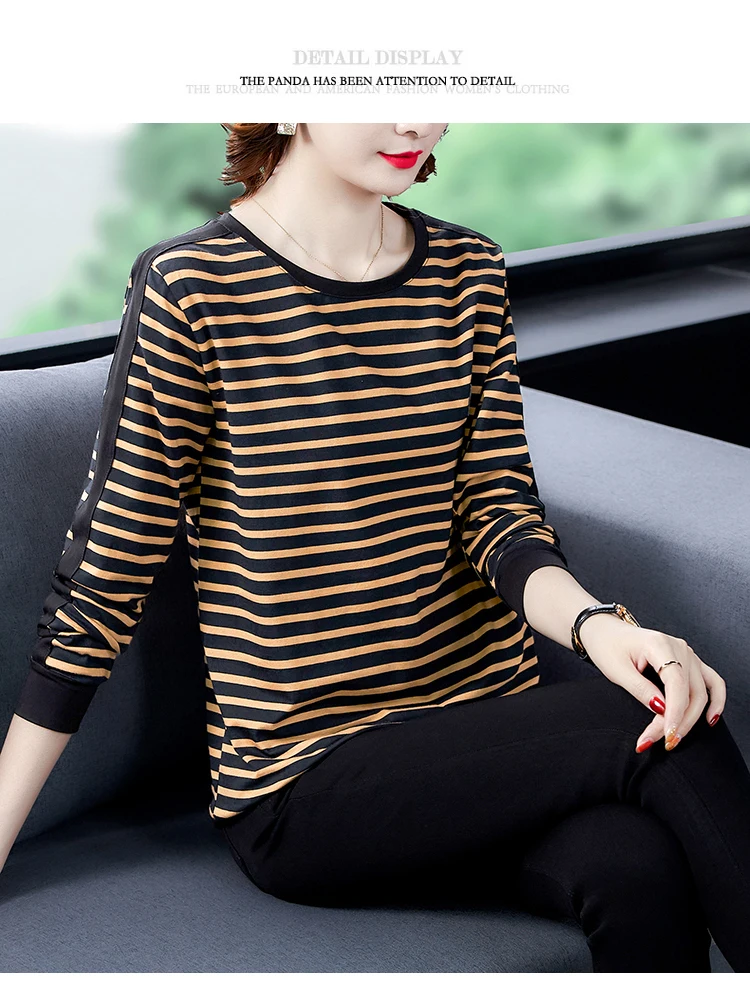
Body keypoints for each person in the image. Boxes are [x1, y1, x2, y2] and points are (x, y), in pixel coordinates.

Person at [1, 123, 749, 973]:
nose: (413, 121)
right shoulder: (192, 288)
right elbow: (104, 580)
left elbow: (497, 513)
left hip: (486, 730)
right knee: (653, 717)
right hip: (305, 781)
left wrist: (599, 627)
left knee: (637, 869)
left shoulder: (467, 270)